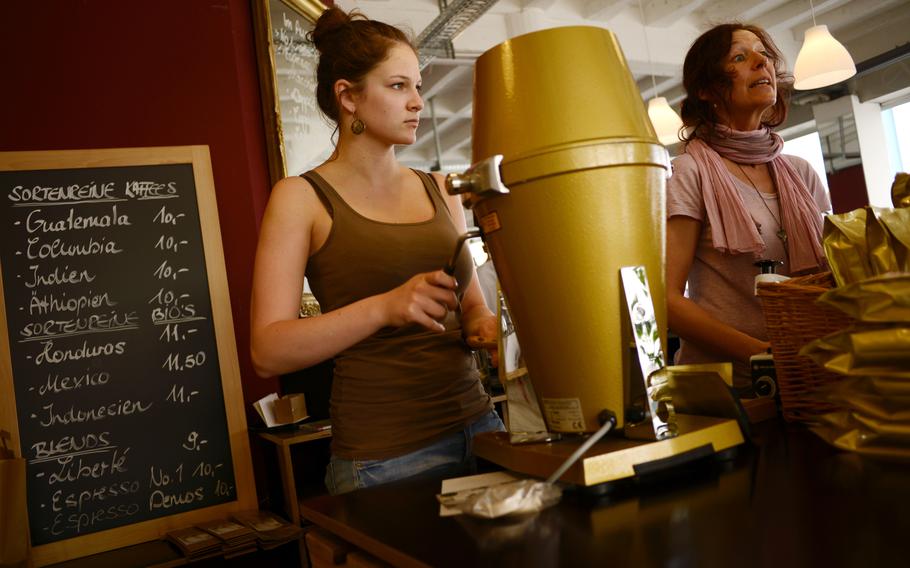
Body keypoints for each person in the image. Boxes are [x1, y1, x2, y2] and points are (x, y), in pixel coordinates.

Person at [249, 7, 503, 494]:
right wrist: (386, 306)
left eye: (419, 87)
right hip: (386, 458)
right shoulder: (300, 197)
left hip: (480, 426)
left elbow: (472, 310)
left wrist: (495, 331)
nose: (418, 104)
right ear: (348, 97)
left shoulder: (440, 187)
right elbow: (267, 350)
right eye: (398, 86)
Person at [666, 23, 831, 390]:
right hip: (729, 390)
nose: (762, 62)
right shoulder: (688, 173)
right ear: (707, 90)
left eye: (764, 54)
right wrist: (764, 355)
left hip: (809, 374)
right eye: (740, 57)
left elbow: (826, 277)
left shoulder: (800, 173)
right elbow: (666, 299)